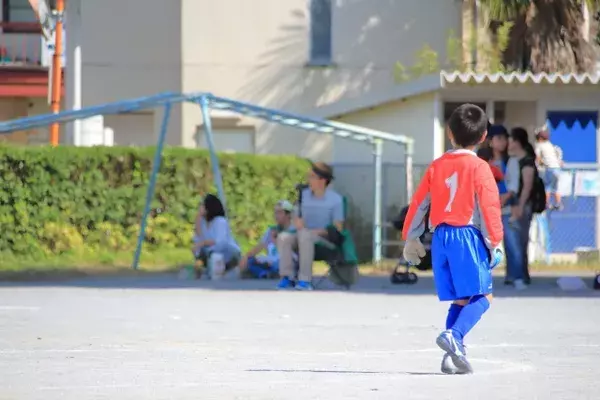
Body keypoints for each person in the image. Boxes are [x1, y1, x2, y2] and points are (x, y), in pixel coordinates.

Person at [402, 104, 503, 375]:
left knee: (461, 298)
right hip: (467, 237)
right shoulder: (481, 168)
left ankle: (451, 356)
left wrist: (411, 237)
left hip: (441, 238)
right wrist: (494, 242)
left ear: (449, 133)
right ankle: (454, 336)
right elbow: (490, 207)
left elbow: (419, 203)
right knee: (484, 296)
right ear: (483, 137)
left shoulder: (437, 166)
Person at [276, 162, 344, 291]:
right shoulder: (303, 195)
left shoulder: (335, 199)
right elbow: (295, 217)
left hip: (325, 241)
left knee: (305, 235)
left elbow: (338, 227)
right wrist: (296, 221)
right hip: (303, 235)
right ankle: (287, 277)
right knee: (284, 237)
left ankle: (304, 280)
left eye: (312, 177)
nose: (308, 180)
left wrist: (313, 232)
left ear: (322, 180)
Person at [504, 128, 536, 288]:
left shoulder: (527, 161)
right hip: (517, 204)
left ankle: (521, 276)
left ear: (516, 142)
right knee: (514, 241)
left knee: (519, 242)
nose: (508, 143)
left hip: (523, 205)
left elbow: (527, 187)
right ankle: (516, 274)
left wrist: (520, 206)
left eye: (510, 140)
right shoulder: (514, 160)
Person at [239, 200, 295, 279]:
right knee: (250, 260)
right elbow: (259, 247)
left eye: (279, 212)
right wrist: (246, 257)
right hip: (269, 261)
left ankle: (264, 273)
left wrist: (276, 240)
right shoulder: (271, 230)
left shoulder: (294, 230)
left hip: (285, 262)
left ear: (288, 214)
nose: (276, 216)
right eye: (275, 213)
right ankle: (265, 274)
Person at [192, 194, 241, 278]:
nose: (200, 207)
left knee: (211, 254)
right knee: (202, 253)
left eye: (203, 205)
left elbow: (220, 242)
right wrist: (198, 218)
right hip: (211, 253)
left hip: (227, 253)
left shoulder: (220, 221)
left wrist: (203, 243)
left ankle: (225, 270)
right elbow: (199, 238)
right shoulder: (203, 222)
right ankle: (206, 269)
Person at [535, 125, 563, 210]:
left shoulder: (540, 145)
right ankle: (558, 204)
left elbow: (538, 158)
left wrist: (538, 165)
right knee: (556, 187)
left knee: (547, 187)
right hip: (557, 168)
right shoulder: (550, 144)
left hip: (550, 168)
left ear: (539, 138)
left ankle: (545, 204)